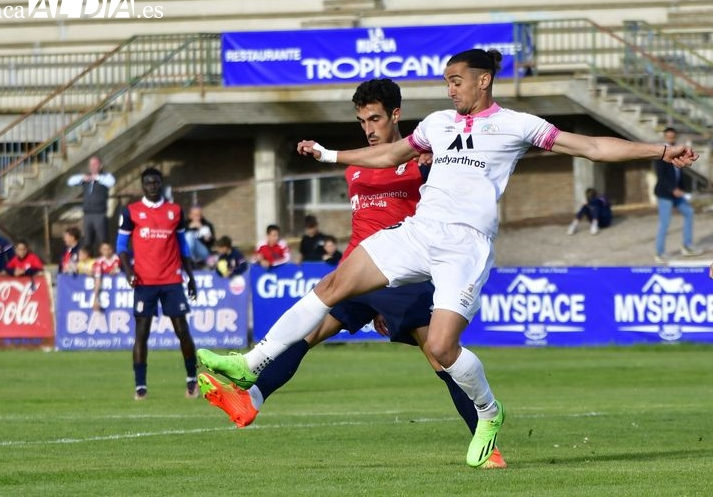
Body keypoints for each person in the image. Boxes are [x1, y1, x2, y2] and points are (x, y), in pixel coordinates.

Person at [197, 48, 698, 468]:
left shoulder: (516, 125)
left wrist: (659, 150)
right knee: (331, 288)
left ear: (484, 81)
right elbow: (388, 156)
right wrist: (329, 156)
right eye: (446, 82)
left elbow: (590, 146)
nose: (450, 90)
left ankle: (487, 411)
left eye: (456, 81)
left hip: (466, 244)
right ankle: (250, 364)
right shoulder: (436, 124)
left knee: (441, 346)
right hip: (417, 233)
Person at [197, 78, 508, 465]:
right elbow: (363, 225)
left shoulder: (422, 159)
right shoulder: (357, 168)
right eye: (362, 120)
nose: (368, 128)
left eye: (375, 119)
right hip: (359, 269)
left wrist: (429, 171)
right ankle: (250, 399)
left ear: (395, 114)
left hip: (403, 274)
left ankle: (488, 443)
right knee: (306, 334)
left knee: (439, 355)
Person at [117, 167, 199, 400]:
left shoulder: (175, 211)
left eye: (156, 183)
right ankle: (140, 386)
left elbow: (183, 247)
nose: (152, 186)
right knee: (141, 333)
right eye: (148, 183)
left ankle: (192, 380)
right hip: (144, 281)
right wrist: (129, 271)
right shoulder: (131, 211)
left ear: (161, 184)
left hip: (172, 280)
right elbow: (121, 248)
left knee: (182, 331)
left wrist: (191, 277)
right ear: (142, 186)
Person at [654, 127, 702, 263]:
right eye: (668, 137)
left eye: (672, 137)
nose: (670, 139)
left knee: (689, 212)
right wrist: (672, 189)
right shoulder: (661, 153)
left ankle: (687, 246)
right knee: (665, 223)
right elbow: (661, 176)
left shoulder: (678, 151)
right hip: (665, 193)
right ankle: (660, 253)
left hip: (677, 193)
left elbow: (679, 173)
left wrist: (681, 189)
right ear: (664, 137)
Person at [67, 155, 116, 251]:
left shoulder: (105, 176)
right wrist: (83, 178)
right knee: (88, 242)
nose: (92, 166)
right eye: (90, 164)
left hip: (100, 214)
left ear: (100, 166)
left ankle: (106, 263)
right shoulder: (86, 177)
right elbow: (70, 181)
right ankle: (89, 263)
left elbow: (111, 182)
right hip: (87, 215)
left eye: (95, 164)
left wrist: (97, 178)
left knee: (103, 241)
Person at [91, 242, 121, 312]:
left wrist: (115, 270)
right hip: (106, 291)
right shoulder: (99, 262)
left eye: (108, 249)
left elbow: (117, 268)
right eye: (104, 249)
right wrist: (95, 299)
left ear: (112, 250)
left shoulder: (117, 258)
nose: (107, 251)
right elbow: (97, 280)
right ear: (100, 250)